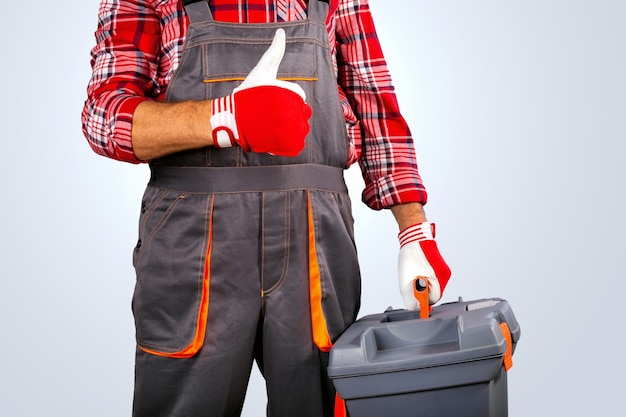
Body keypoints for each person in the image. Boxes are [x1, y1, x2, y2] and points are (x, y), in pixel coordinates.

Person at [81, 1, 451, 416]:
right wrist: (224, 118)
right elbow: (102, 114)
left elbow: (374, 104)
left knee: (320, 403)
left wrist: (413, 228)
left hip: (315, 240)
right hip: (194, 242)